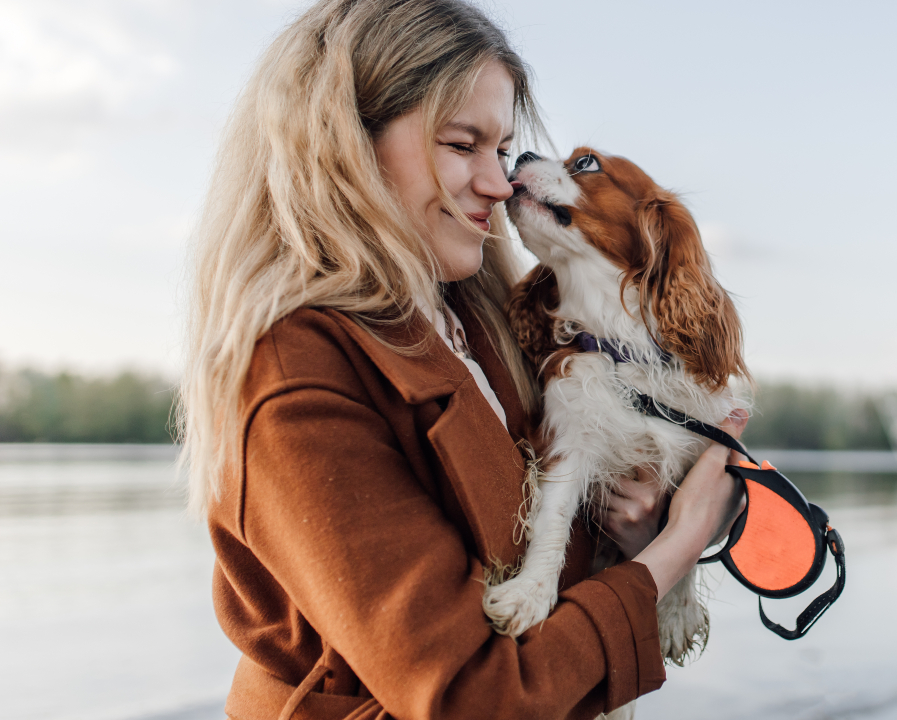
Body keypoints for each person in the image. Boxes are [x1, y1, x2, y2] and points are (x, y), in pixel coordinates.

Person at [180, 1, 747, 718]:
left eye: (503, 150)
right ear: (345, 146)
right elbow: (467, 698)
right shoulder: (293, 373)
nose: (500, 182)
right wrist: (672, 554)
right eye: (461, 145)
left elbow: (567, 537)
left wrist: (647, 524)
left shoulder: (489, 320)